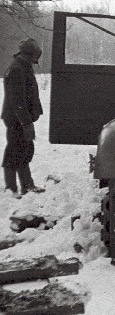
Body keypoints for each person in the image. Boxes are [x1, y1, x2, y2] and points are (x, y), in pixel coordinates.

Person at [2, 38, 45, 197]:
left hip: (20, 118)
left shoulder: (23, 66)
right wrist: (26, 123)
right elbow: (17, 101)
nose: (37, 57)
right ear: (30, 53)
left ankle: (27, 185)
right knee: (14, 151)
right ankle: (11, 188)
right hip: (16, 119)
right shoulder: (17, 69)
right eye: (35, 54)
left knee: (24, 150)